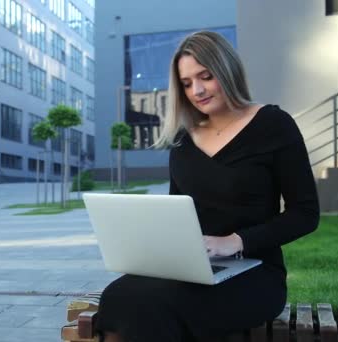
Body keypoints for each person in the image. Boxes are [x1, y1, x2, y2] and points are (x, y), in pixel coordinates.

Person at [95, 31, 320, 342]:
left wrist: (235, 241)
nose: (197, 90)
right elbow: (177, 215)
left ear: (227, 70)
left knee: (155, 307)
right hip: (191, 270)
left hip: (255, 272)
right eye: (187, 83)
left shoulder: (273, 124)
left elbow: (305, 214)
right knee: (118, 296)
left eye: (206, 76)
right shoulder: (182, 140)